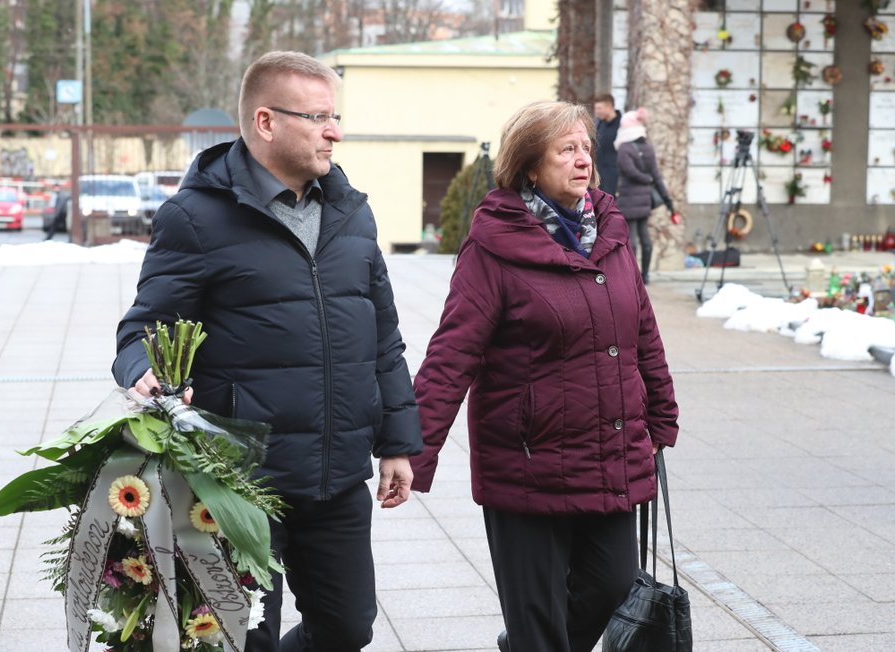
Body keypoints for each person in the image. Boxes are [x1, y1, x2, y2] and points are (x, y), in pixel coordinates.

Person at [112, 50, 423, 652]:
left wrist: (398, 442)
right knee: (241, 637)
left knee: (347, 627)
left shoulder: (351, 213)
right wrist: (146, 373)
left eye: (336, 116)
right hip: (241, 486)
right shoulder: (195, 217)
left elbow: (382, 336)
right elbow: (140, 331)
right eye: (318, 117)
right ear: (265, 121)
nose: (335, 131)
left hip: (336, 477)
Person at [410, 100, 679, 652]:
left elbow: (642, 329)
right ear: (530, 166)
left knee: (610, 587)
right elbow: (452, 353)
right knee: (539, 625)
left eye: (586, 147)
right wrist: (413, 448)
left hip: (607, 453)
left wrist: (661, 413)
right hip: (526, 466)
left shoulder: (609, 228)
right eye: (566, 149)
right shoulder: (493, 246)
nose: (584, 159)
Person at [614, 107, 674, 283]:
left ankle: (633, 276)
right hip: (645, 199)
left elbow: (628, 170)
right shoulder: (648, 147)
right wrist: (667, 199)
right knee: (645, 237)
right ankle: (645, 275)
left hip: (628, 197)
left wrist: (643, 178)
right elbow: (656, 175)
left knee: (631, 240)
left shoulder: (624, 148)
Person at [593, 93, 622, 195]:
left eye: (599, 108)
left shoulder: (622, 124)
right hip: (598, 174)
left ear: (610, 107)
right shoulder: (599, 124)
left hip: (614, 175)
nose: (597, 112)